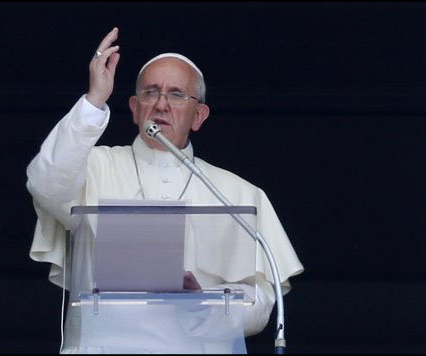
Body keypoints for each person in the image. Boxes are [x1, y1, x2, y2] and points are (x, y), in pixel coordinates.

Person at [26, 27, 304, 353]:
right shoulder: (94, 167)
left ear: (199, 115)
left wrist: (203, 302)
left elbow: (261, 303)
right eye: (150, 93)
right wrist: (94, 100)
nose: (161, 104)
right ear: (134, 108)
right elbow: (46, 183)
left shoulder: (237, 192)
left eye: (176, 94)